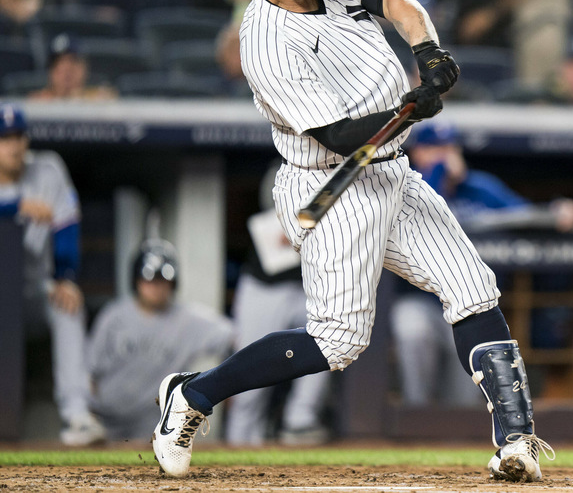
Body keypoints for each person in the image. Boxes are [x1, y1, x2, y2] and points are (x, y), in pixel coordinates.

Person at [151, 0, 553, 482]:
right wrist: (410, 108)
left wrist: (428, 52)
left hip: (389, 167)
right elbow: (339, 136)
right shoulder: (264, 42)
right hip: (332, 183)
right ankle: (193, 395)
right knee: (339, 339)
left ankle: (516, 441)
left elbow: (394, 0)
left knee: (471, 286)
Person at [393, 120, 573, 406]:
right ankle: (415, 413)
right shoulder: (406, 187)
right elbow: (423, 216)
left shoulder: (481, 187)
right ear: (416, 153)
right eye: (434, 149)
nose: (445, 155)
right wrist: (439, 172)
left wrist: (557, 210)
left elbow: (525, 215)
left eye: (448, 148)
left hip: (472, 305)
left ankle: (455, 433)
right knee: (412, 328)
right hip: (421, 301)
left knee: (465, 399)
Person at [0, 103, 105, 445]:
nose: (14, 145)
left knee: (66, 304)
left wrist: (67, 277)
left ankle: (78, 414)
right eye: (5, 138)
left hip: (32, 289)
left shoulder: (47, 169)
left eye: (18, 136)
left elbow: (66, 228)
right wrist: (14, 207)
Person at [226, 162, 332, 446]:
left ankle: (300, 421)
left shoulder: (334, 165)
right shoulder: (284, 166)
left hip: (306, 290)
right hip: (263, 288)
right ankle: (239, 445)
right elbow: (277, 227)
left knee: (332, 341)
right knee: (249, 381)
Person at [86, 239, 233, 441]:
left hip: (151, 427)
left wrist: (230, 386)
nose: (156, 287)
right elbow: (89, 371)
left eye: (162, 281)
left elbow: (235, 338)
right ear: (136, 281)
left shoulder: (189, 320)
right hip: (103, 421)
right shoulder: (113, 317)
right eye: (149, 280)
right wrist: (87, 413)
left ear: (173, 283)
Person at [27, 33, 118, 101]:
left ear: (85, 68)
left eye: (73, 61)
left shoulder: (98, 100)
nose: (66, 69)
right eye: (58, 63)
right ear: (50, 71)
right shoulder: (37, 103)